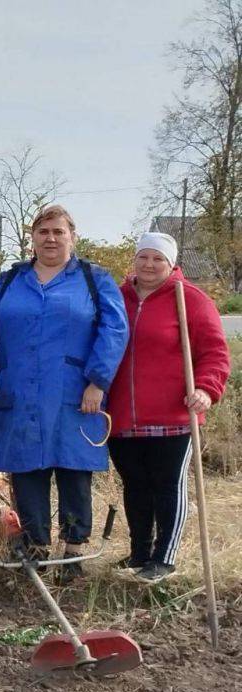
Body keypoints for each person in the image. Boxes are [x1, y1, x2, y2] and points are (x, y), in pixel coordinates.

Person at [0, 205, 129, 582]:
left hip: (75, 392)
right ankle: (34, 547)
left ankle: (73, 552)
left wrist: (98, 380)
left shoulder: (94, 279)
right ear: (33, 236)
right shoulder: (13, 279)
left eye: (58, 231)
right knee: (26, 467)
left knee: (73, 468)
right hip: (19, 390)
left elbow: (115, 330)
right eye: (43, 231)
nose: (50, 238)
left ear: (72, 236)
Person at [107, 232, 230, 583]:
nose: (148, 264)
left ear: (171, 264)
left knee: (167, 485)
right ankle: (140, 553)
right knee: (135, 484)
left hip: (173, 415)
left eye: (157, 259)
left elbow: (215, 353)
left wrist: (207, 389)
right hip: (124, 414)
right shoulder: (118, 298)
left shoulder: (189, 299)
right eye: (143, 257)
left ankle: (164, 558)